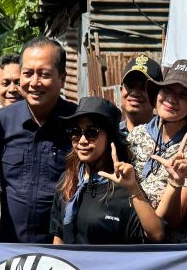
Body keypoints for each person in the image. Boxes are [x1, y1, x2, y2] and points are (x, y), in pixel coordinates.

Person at [0, 37, 77, 243]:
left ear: (62, 78)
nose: (34, 82)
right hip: (11, 247)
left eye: (44, 74)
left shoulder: (78, 123)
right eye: (27, 73)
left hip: (63, 250)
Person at [49, 97, 164, 245]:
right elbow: (59, 236)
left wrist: (133, 188)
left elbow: (157, 235)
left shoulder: (125, 186)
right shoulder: (68, 179)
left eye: (92, 133)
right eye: (75, 132)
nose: (82, 140)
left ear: (110, 138)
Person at [126, 59, 187, 241]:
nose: (171, 98)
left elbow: (174, 221)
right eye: (167, 90)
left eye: (183, 95)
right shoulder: (136, 135)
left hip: (166, 250)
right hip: (129, 241)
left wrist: (176, 181)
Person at [118, 54, 162, 138]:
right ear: (121, 90)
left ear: (157, 95)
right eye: (130, 85)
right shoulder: (110, 135)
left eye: (144, 86)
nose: (134, 92)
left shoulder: (168, 136)